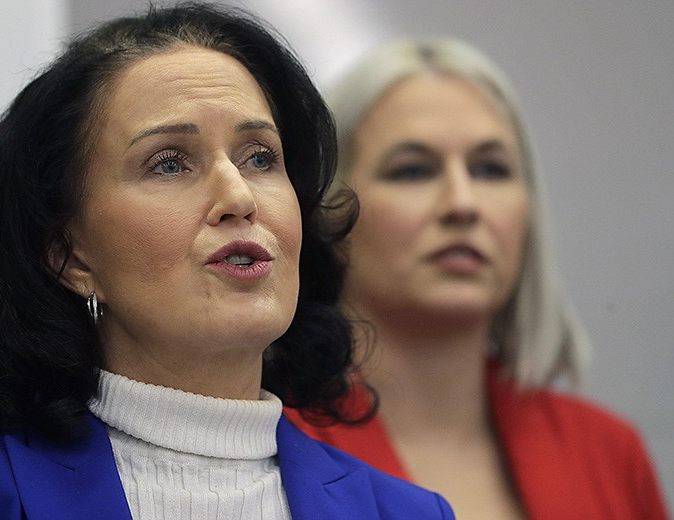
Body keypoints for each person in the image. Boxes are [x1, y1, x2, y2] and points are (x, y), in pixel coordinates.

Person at [0, 8, 455, 519]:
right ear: (68, 255)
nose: (239, 196)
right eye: (169, 164)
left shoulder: (409, 512)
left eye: (261, 157)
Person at [285, 38, 669, 520]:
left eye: (491, 169)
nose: (463, 204)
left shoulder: (610, 453)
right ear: (329, 214)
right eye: (413, 171)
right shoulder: (275, 444)